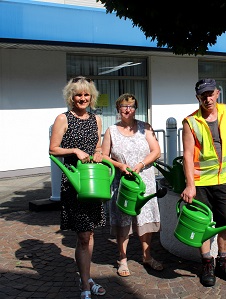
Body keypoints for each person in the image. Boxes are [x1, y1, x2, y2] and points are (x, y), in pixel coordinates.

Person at [180, 78, 226, 287]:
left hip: (223, 179)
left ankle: (223, 262)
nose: (207, 98)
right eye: (203, 95)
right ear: (197, 97)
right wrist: (190, 185)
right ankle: (207, 263)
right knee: (203, 224)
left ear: (217, 93)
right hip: (200, 181)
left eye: (210, 94)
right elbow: (187, 154)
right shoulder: (190, 121)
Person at [49, 76, 106, 299]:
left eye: (86, 94)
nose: (82, 98)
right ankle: (85, 283)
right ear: (71, 97)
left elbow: (98, 146)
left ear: (91, 97)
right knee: (83, 235)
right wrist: (74, 150)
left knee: (89, 233)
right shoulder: (63, 119)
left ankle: (87, 276)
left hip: (94, 181)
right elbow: (53, 149)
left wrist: (99, 153)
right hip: (74, 182)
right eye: (78, 94)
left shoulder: (96, 119)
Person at [101, 93, 163, 277]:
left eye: (132, 106)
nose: (128, 110)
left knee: (145, 219)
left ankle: (147, 256)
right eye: (124, 106)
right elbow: (103, 156)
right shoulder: (111, 130)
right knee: (123, 220)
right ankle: (122, 258)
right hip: (123, 183)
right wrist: (120, 166)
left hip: (145, 180)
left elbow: (156, 151)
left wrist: (141, 164)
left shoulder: (145, 128)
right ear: (118, 109)